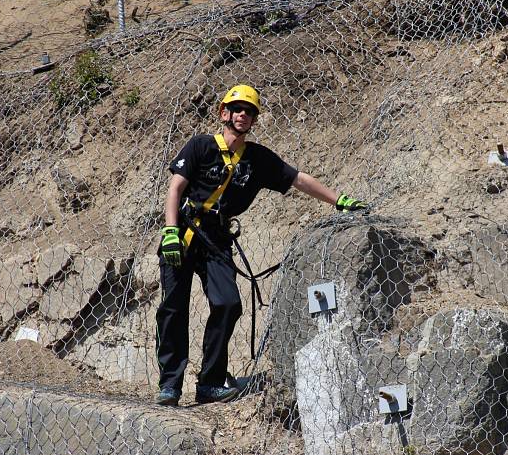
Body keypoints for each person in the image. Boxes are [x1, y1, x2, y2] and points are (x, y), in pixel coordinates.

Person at [155, 84, 367, 406]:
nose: (243, 114)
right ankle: (170, 385)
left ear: (254, 119)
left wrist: (339, 201)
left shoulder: (256, 159)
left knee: (228, 304)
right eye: (237, 108)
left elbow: (297, 179)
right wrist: (170, 231)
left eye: (250, 111)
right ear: (224, 113)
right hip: (183, 233)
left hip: (217, 239)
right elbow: (175, 188)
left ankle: (209, 382)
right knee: (173, 308)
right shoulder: (199, 146)